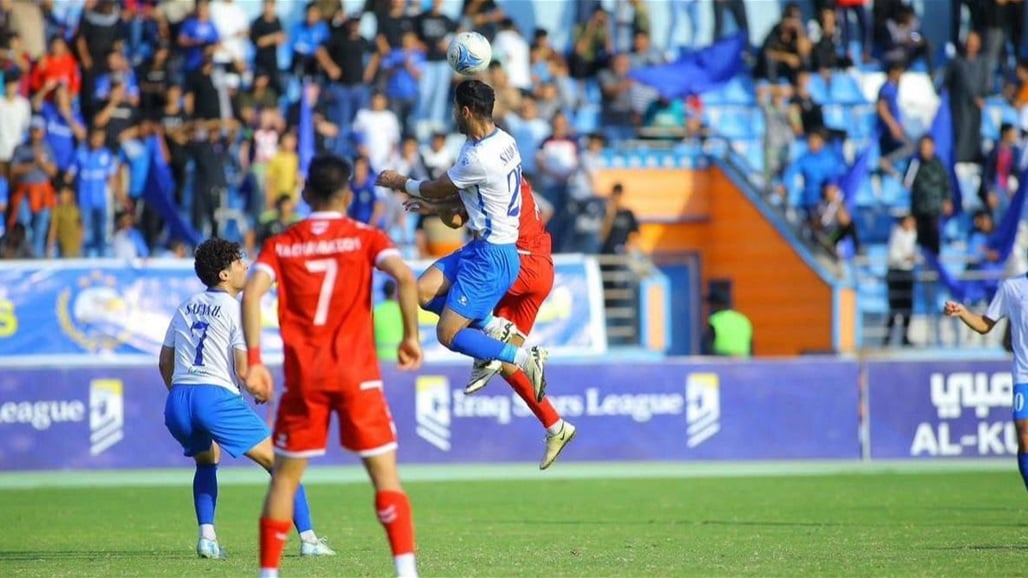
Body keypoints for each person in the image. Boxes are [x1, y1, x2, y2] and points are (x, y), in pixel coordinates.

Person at [242, 154, 423, 578]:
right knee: (385, 476)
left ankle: (268, 575)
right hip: (356, 374)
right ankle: (406, 572)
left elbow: (251, 293)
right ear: (346, 195)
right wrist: (410, 337)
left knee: (284, 479)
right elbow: (406, 277)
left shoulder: (283, 243)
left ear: (305, 194)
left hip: (306, 377)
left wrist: (254, 361)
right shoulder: (366, 237)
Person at [158, 238, 335, 560]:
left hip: (179, 399)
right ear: (224, 274)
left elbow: (164, 362)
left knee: (207, 460)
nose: (246, 267)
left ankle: (207, 538)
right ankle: (309, 540)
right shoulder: (237, 309)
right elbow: (244, 370)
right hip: (214, 397)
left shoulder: (185, 305)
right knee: (283, 465)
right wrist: (261, 391)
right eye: (240, 262)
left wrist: (181, 395)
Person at [375, 79, 547, 400]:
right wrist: (435, 204)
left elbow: (438, 187)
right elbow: (463, 200)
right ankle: (491, 326)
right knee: (420, 291)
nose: (453, 114)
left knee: (447, 333)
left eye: (455, 109)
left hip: (492, 258)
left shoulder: (477, 157)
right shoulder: (504, 141)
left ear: (466, 111)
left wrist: (398, 181)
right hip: (480, 249)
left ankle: (525, 357)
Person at [405, 178, 577, 469]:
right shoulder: (514, 176)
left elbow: (457, 219)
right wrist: (439, 205)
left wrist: (428, 200)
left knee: (438, 302)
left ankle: (488, 324)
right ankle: (555, 425)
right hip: (541, 269)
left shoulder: (483, 167)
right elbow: (465, 210)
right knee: (503, 359)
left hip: (512, 263)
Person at [944, 272, 1028, 504]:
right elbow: (984, 324)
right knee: (1024, 432)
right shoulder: (1012, 287)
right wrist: (962, 311)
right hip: (1024, 374)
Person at [701, 288, 753, 357]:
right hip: (743, 363)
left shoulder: (715, 321)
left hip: (721, 364)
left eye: (711, 305)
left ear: (717, 305)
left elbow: (708, 348)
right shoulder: (743, 320)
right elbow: (751, 348)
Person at [374, 280, 403, 361]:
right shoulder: (402, 311)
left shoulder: (376, 311)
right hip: (400, 357)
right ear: (396, 292)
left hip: (380, 357)